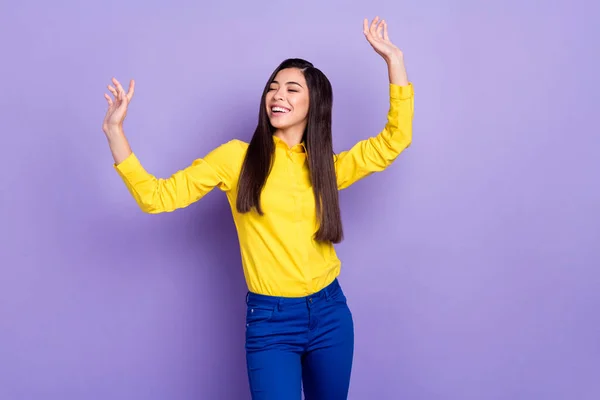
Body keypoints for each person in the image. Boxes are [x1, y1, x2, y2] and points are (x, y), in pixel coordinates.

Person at [102, 16, 413, 400]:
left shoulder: (325, 168)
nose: (277, 95)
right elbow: (156, 197)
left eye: (291, 88)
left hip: (331, 313)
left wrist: (394, 61)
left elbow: (394, 141)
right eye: (272, 87)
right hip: (270, 322)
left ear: (313, 104)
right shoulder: (236, 159)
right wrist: (116, 133)